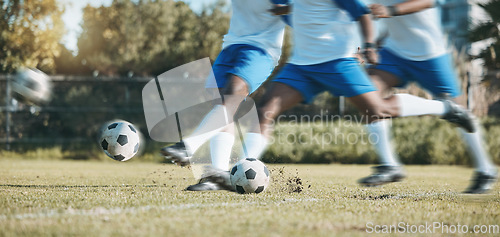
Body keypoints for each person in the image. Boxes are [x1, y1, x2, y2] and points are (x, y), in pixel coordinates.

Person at [357, 0, 497, 193]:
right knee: (368, 96)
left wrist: (390, 10)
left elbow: (428, 1)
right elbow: (385, 21)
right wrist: (373, 44)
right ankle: (390, 165)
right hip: (393, 52)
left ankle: (485, 169)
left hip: (430, 54)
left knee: (461, 113)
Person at [160, 0, 291, 191]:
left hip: (261, 50)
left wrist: (286, 8)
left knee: (233, 94)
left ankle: (188, 146)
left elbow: (300, 10)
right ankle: (217, 175)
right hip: (230, 46)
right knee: (220, 105)